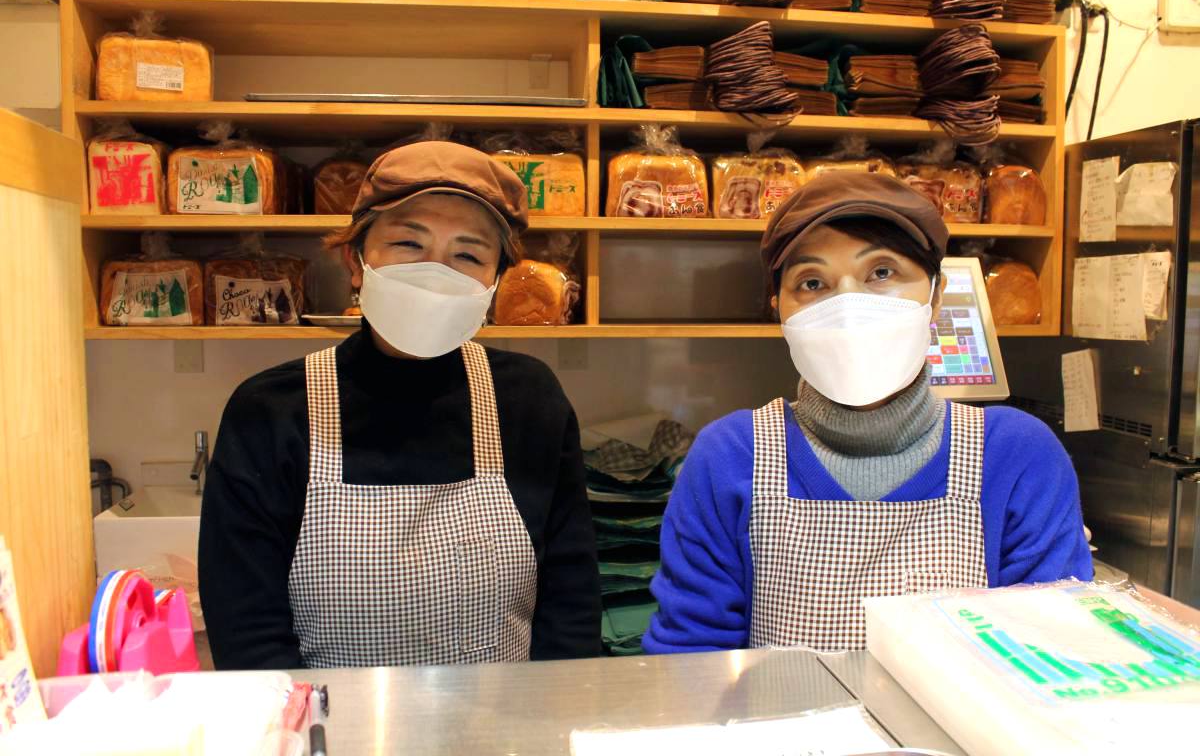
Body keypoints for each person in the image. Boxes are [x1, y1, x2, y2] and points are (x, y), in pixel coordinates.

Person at [643, 172, 1093, 653]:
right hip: (773, 726)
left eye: (881, 273)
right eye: (812, 282)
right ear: (780, 311)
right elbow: (689, 659)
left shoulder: (1015, 455)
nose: (848, 308)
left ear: (936, 297)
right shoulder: (730, 456)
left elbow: (1053, 657)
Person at [199, 141, 601, 669]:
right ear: (357, 260)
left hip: (506, 736)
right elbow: (247, 629)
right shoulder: (271, 411)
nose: (437, 272)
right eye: (409, 244)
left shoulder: (527, 398)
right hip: (331, 735)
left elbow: (570, 602)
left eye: (468, 255)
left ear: (494, 282)